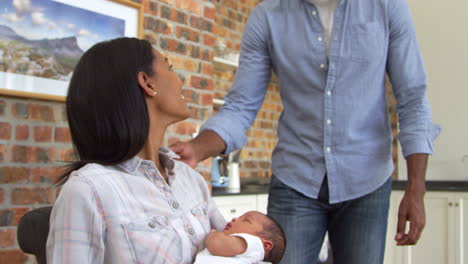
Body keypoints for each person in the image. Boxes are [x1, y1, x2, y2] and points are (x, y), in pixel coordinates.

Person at [170, 0, 441, 263]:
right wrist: (197, 148)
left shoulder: (386, 6)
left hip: (367, 181)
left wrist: (416, 189)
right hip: (295, 181)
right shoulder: (267, 16)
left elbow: (413, 97)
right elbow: (240, 106)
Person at [46, 37, 226, 264]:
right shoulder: (88, 189)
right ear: (148, 83)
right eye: (170, 68)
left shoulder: (190, 179)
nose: (181, 81)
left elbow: (237, 243)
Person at [194, 211, 286, 264]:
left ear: (265, 245)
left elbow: (216, 244)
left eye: (246, 220)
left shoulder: (255, 244)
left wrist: (213, 235)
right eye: (239, 217)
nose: (235, 219)